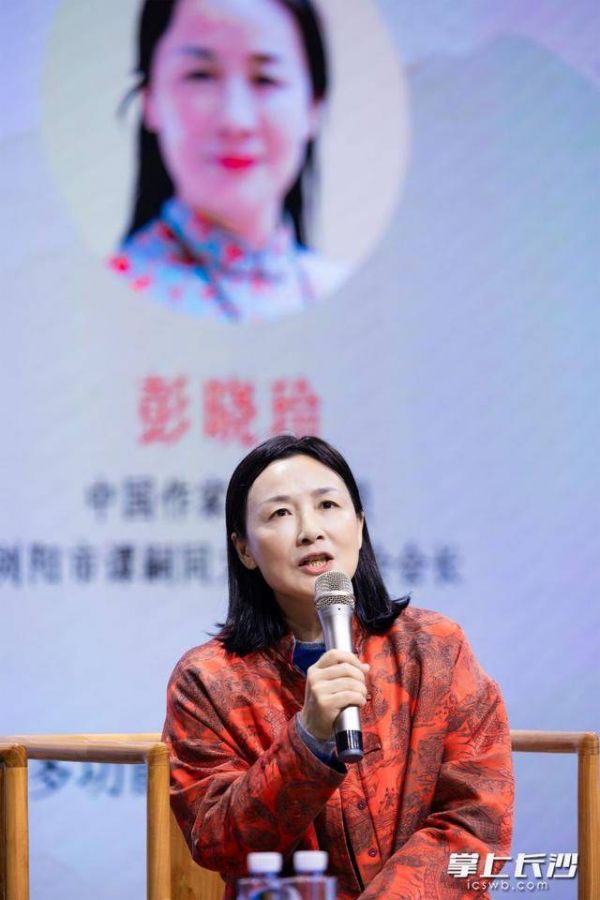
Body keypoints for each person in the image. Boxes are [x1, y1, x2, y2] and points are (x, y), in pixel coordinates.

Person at [162, 435, 514, 898]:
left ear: (360, 525)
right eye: (280, 513)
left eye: (327, 505)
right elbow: (217, 841)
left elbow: (478, 820)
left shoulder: (436, 649)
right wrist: (307, 739)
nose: (310, 530)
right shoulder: (206, 681)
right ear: (244, 549)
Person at [109, 0, 348, 321]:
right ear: (150, 100)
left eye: (265, 79)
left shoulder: (348, 296)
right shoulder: (106, 300)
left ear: (313, 106)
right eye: (200, 75)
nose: (236, 119)